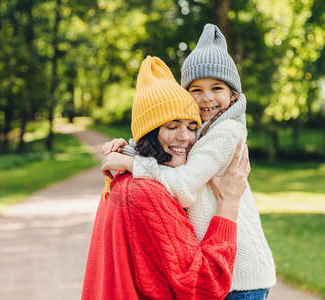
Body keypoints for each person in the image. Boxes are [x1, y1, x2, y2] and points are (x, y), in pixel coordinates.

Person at [102, 24, 276, 299]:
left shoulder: (226, 132)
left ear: (233, 95)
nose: (206, 97)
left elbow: (183, 184)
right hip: (224, 267)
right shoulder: (203, 130)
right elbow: (169, 154)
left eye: (217, 87)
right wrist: (131, 148)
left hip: (240, 276)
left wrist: (132, 164)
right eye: (196, 89)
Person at [81, 55, 252, 300]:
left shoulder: (123, 179)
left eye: (192, 127)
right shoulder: (147, 193)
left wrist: (130, 154)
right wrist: (229, 205)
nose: (185, 137)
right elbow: (205, 283)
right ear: (149, 134)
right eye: (172, 127)